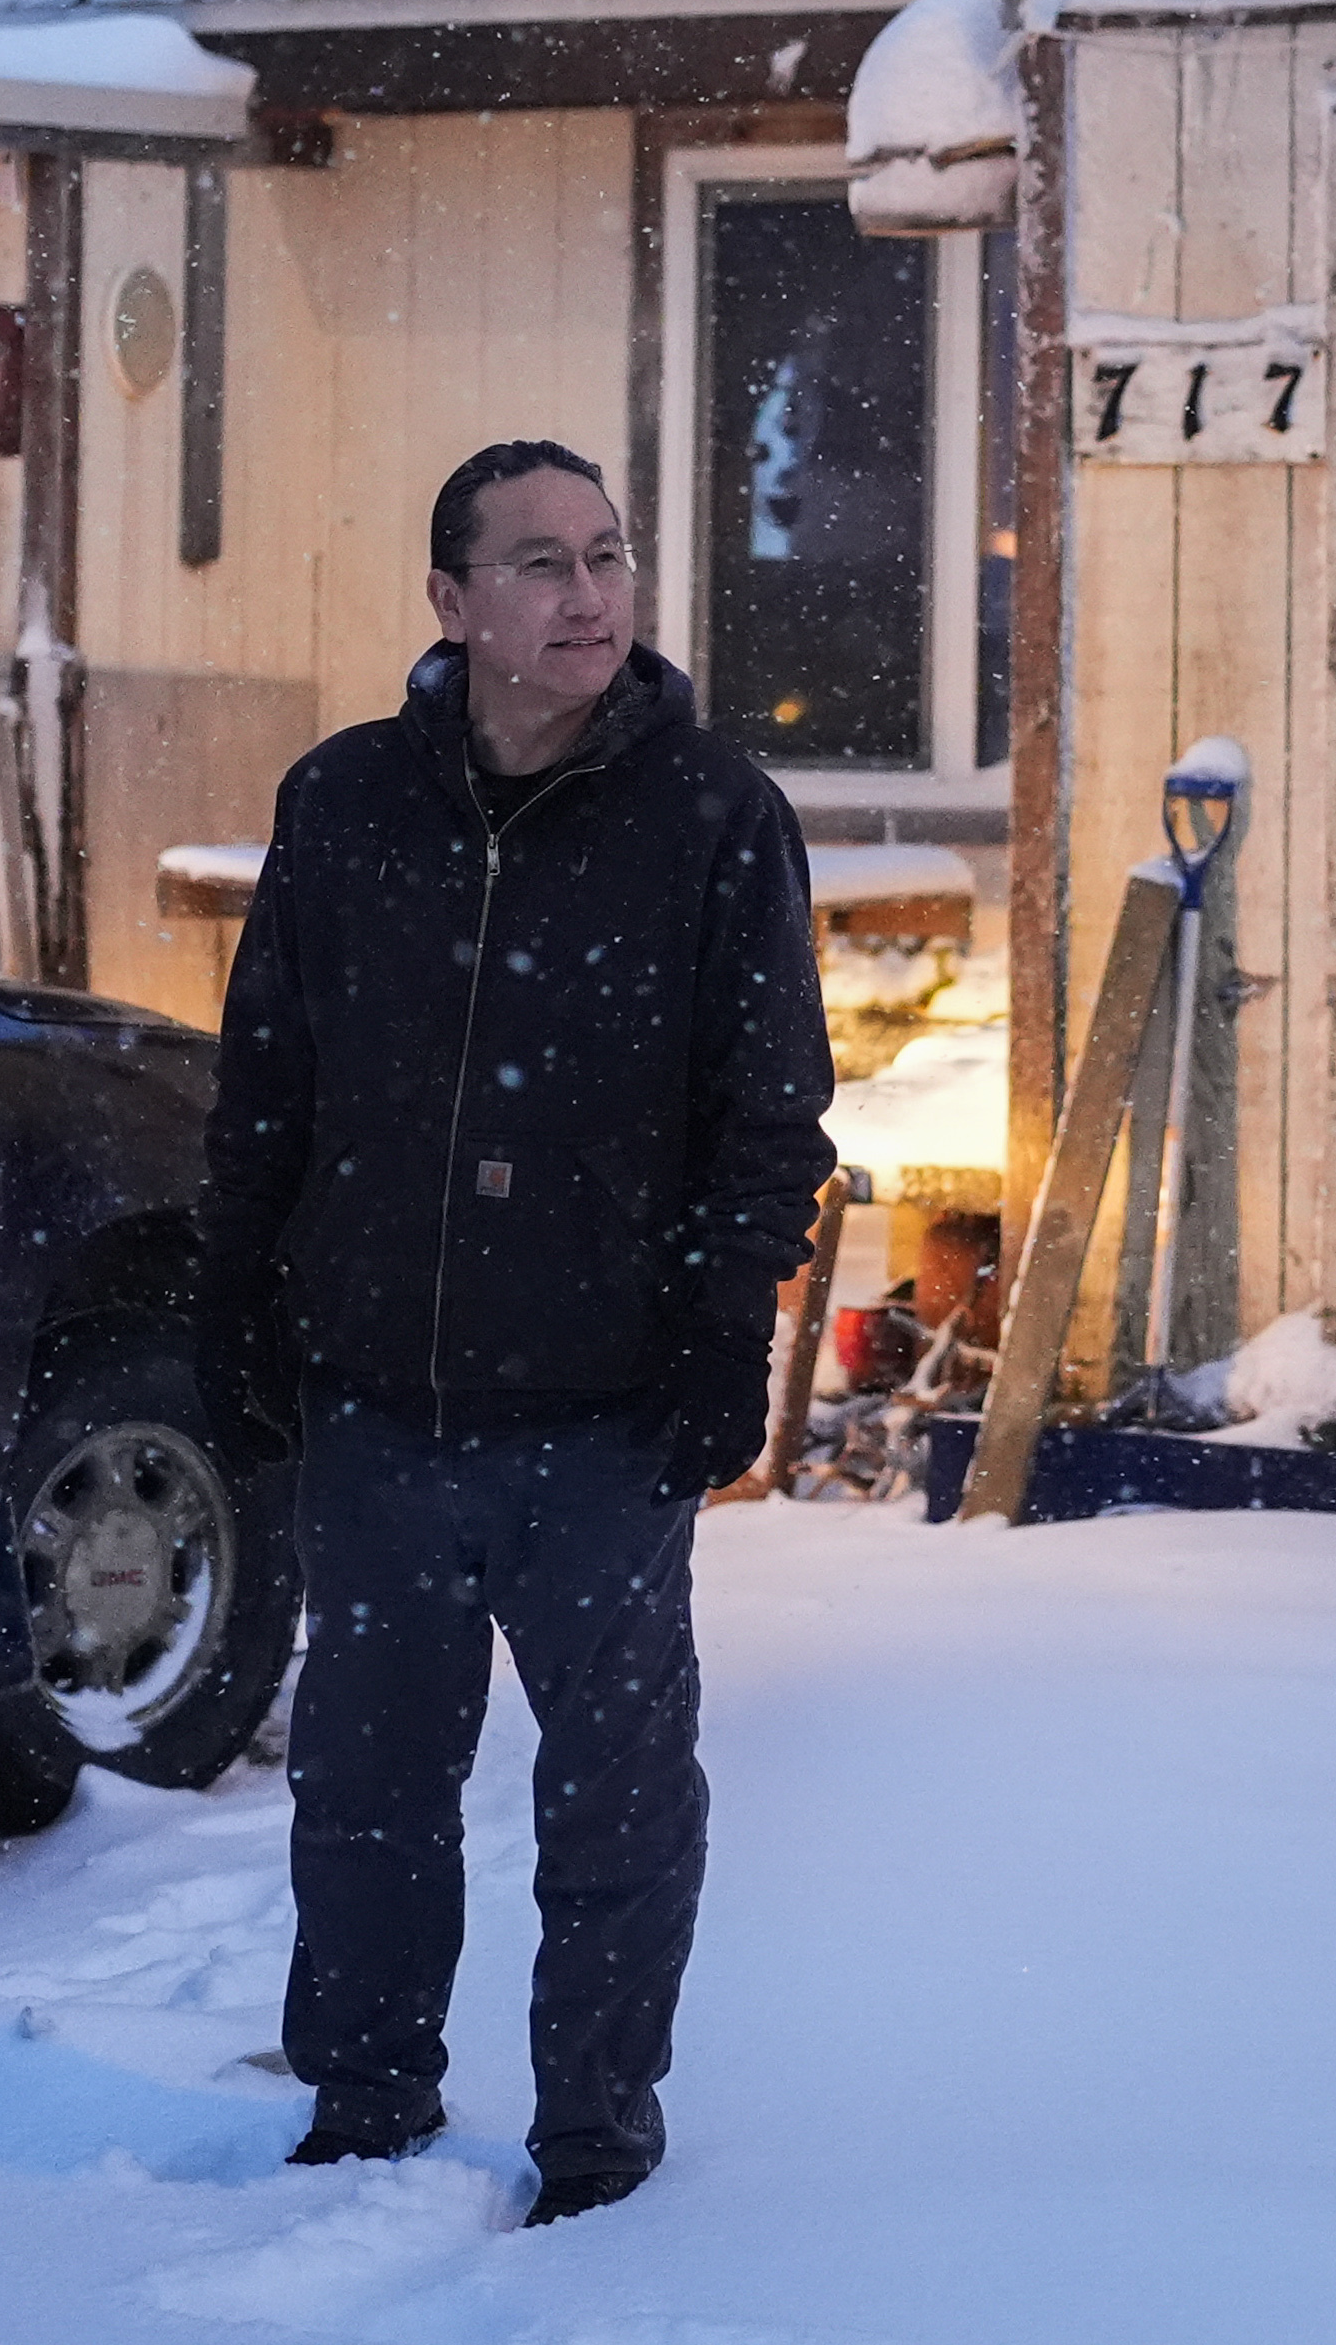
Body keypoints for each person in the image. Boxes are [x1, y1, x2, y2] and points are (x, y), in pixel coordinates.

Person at [198, 436, 835, 2226]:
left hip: (603, 1411)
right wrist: (234, 1304)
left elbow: (770, 1111)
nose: (589, 595)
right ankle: (366, 2102)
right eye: (543, 563)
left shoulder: (712, 817)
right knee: (368, 1788)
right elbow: (269, 1087)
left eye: (610, 555)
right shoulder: (344, 806)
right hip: (380, 1407)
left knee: (616, 1802)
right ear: (453, 603)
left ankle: (595, 2142)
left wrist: (724, 1336)